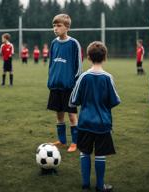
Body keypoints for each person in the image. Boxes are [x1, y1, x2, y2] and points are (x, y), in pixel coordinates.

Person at [69, 41, 120, 192]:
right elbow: (114, 101)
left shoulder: (83, 77)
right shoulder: (108, 77)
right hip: (103, 124)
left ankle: (85, 185)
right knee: (100, 154)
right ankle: (100, 186)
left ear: (89, 57)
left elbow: (73, 100)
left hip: (84, 123)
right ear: (105, 57)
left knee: (85, 152)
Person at [47, 14, 82, 152]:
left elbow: (78, 66)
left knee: (72, 115)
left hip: (69, 86)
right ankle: (61, 140)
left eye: (59, 25)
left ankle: (75, 142)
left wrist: (75, 83)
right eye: (54, 26)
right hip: (55, 85)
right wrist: (51, 79)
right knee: (59, 114)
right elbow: (51, 64)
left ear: (67, 27)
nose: (55, 28)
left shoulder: (74, 43)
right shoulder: (53, 43)